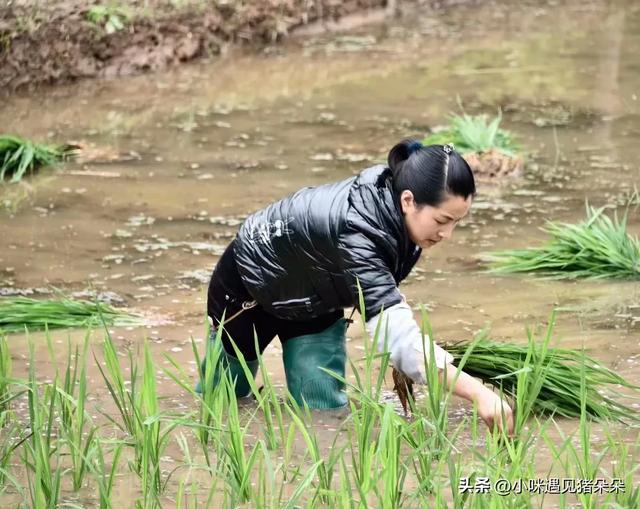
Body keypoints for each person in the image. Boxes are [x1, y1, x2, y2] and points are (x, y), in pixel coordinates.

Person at [201, 139, 514, 435]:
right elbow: (398, 335)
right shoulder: (360, 234)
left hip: (317, 292)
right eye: (442, 220)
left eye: (456, 223)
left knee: (321, 409)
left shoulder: (408, 225)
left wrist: (405, 361)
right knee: (221, 404)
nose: (447, 234)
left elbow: (388, 308)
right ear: (409, 201)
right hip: (248, 286)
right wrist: (479, 394)